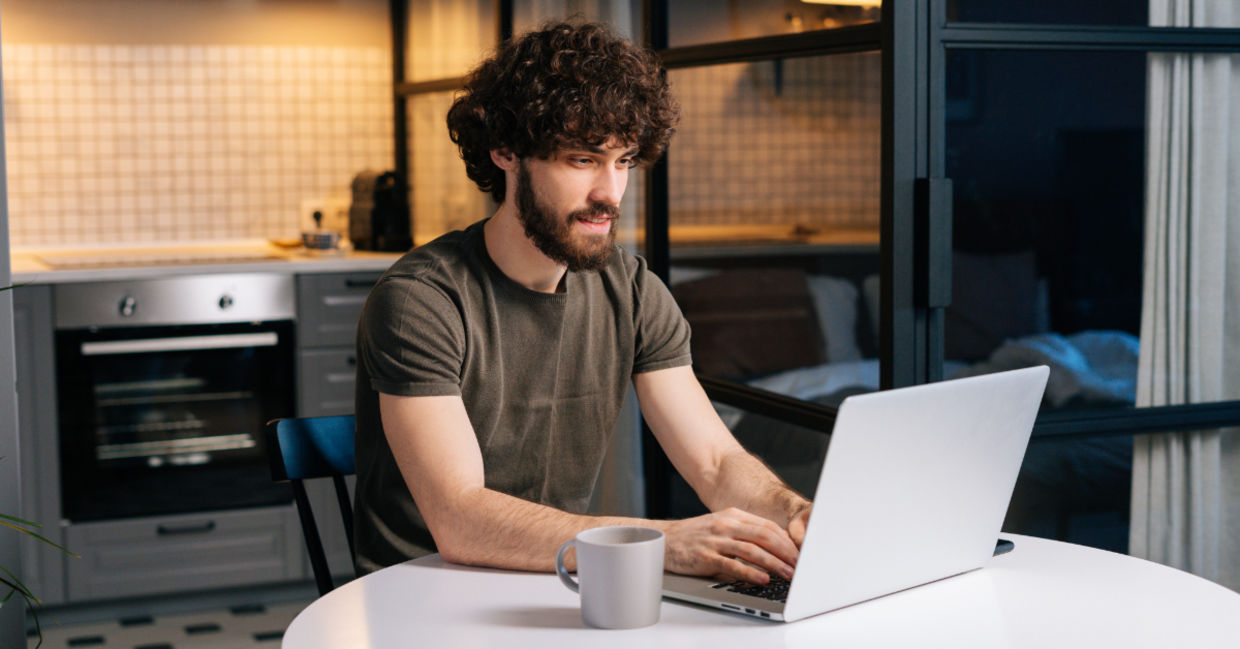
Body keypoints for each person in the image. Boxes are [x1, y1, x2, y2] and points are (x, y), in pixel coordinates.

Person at [353, 20, 811, 585]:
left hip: (558, 579)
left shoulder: (634, 290)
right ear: (506, 151)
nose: (609, 193)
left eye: (623, 161)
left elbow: (715, 462)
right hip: (420, 594)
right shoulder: (421, 301)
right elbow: (460, 517)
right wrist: (662, 541)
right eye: (582, 160)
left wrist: (796, 515)